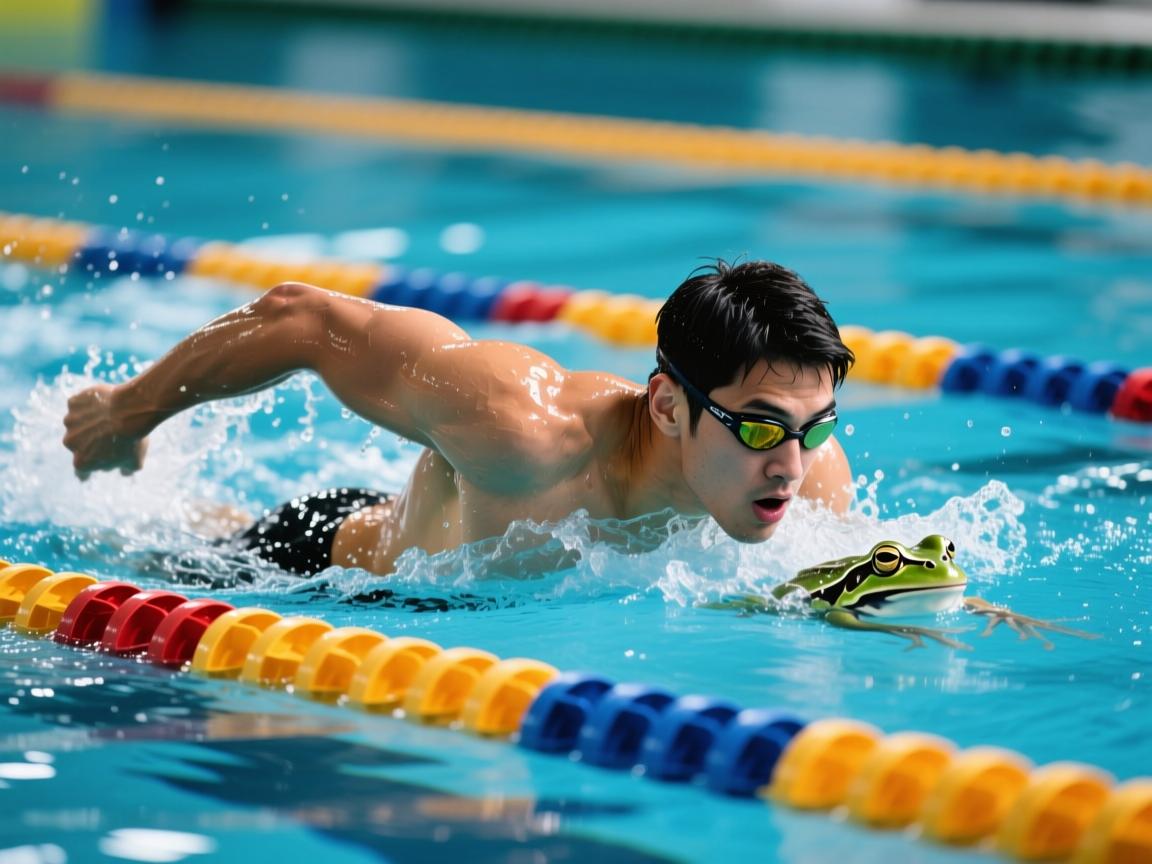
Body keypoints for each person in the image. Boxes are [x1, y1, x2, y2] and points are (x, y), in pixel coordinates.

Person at [62, 259, 855, 578]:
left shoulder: (810, 478)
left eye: (816, 426)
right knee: (136, 556)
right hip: (319, 573)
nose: (790, 464)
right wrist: (126, 413)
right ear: (668, 406)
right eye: (760, 427)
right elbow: (299, 319)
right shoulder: (522, 425)